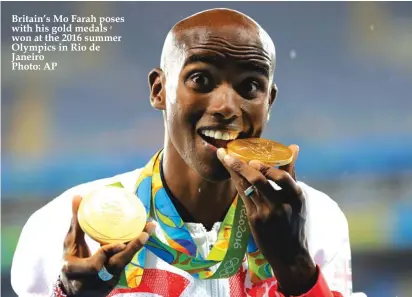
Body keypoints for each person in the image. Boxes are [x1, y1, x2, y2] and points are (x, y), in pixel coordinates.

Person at [11, 8, 355, 297]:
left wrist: (295, 266)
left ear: (269, 102)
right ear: (159, 90)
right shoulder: (68, 227)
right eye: (201, 80)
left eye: (250, 86)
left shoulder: (316, 221)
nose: (225, 106)